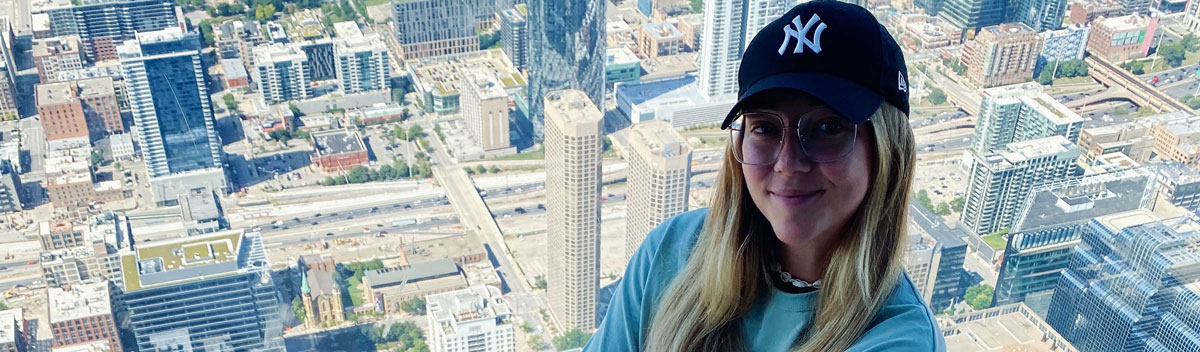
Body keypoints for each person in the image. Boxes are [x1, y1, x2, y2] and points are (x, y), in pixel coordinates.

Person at [584, 1, 945, 351]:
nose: (789, 163)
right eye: (765, 129)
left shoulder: (899, 337)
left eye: (827, 127)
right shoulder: (672, 250)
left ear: (888, 151)